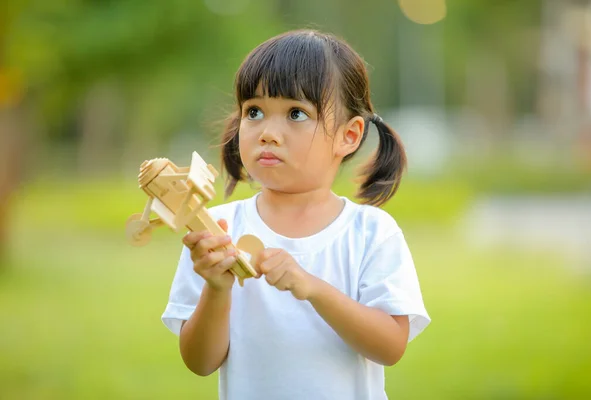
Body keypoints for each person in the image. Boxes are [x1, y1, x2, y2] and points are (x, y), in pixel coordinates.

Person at [161, 29, 431, 400]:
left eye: (296, 113)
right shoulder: (218, 229)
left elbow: (390, 346)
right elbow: (200, 362)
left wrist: (313, 288)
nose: (269, 133)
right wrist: (216, 287)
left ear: (348, 136)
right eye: (254, 111)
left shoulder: (370, 232)